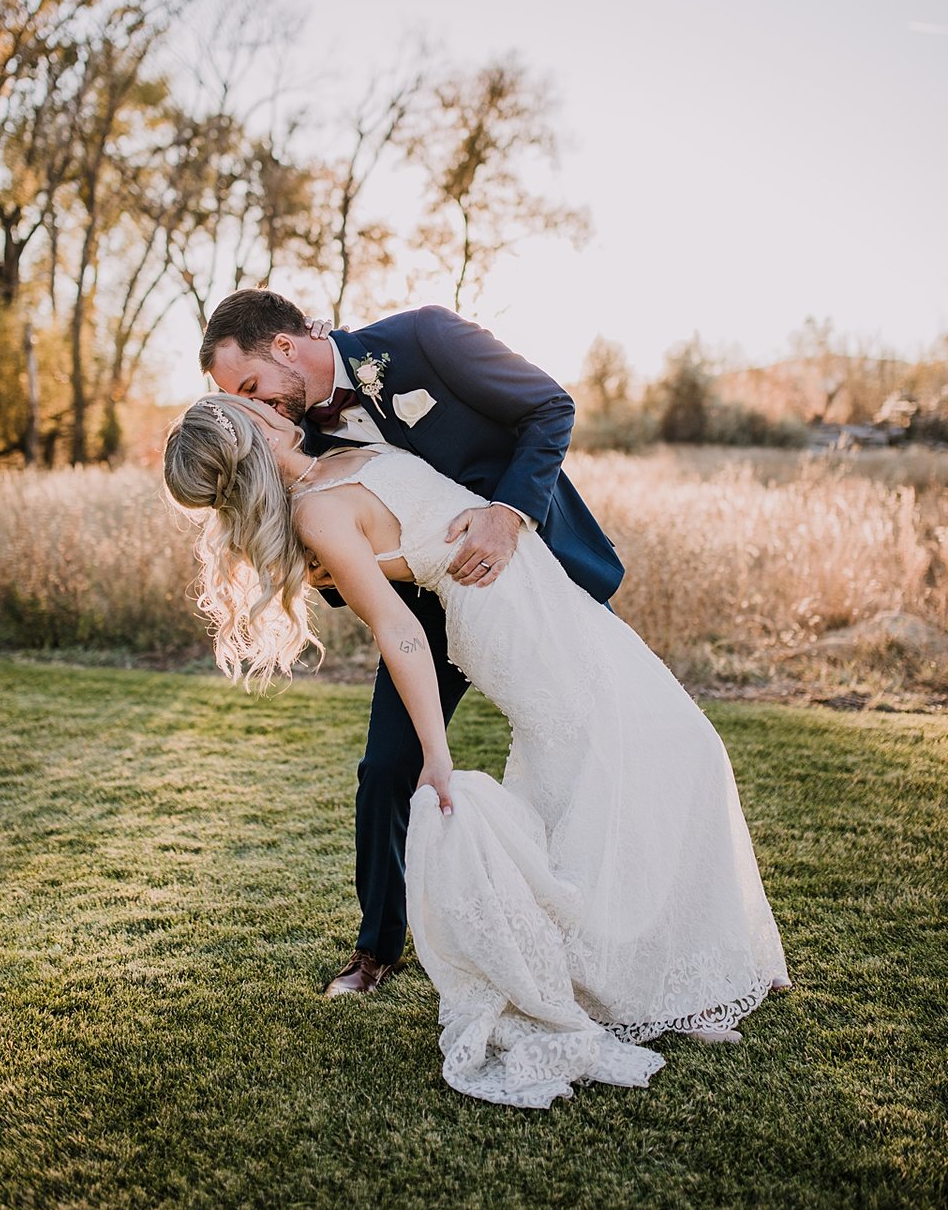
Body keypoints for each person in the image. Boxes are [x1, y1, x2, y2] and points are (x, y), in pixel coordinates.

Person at [163, 393, 791, 1109]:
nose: (264, 404)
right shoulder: (318, 516)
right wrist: (435, 750)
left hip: (547, 589)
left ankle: (701, 958)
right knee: (626, 763)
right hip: (501, 618)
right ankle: (650, 984)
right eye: (243, 409)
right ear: (246, 441)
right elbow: (398, 631)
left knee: (678, 748)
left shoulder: (337, 453)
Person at [197, 291, 625, 997]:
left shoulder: (424, 338)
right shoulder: (295, 440)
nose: (258, 407)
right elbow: (345, 552)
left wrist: (507, 513)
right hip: (422, 608)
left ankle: (623, 922)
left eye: (252, 388)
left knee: (604, 740)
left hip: (535, 572)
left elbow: (549, 408)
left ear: (283, 348)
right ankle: (377, 949)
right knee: (384, 770)